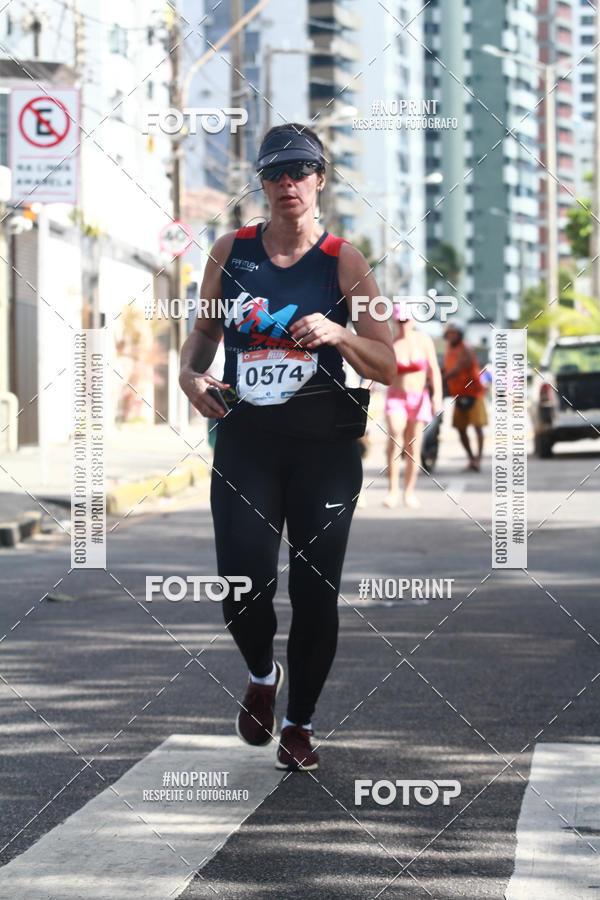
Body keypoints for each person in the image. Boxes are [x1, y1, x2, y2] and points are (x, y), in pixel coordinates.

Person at [179, 123, 396, 771]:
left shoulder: (343, 261)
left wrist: (338, 331)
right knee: (242, 580)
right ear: (261, 182)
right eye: (275, 171)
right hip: (246, 439)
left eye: (301, 170)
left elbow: (386, 364)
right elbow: (201, 338)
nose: (288, 183)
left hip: (323, 445)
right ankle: (260, 676)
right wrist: (190, 376)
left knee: (315, 590)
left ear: (321, 179)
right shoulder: (230, 250)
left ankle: (299, 724)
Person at [384, 306, 442, 508]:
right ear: (393, 321)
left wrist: (438, 396)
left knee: (413, 446)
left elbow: (434, 369)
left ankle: (408, 492)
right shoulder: (390, 342)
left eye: (406, 320)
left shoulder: (424, 340)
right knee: (395, 435)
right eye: (400, 321)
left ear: (414, 320)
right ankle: (392, 491)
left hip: (419, 398)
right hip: (395, 397)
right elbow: (376, 369)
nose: (403, 324)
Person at [443, 321, 487, 472]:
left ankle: (478, 460)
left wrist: (440, 378)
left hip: (473, 393)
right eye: (449, 333)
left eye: (454, 333)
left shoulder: (466, 349)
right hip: (458, 394)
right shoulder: (449, 349)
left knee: (477, 427)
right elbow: (447, 368)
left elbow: (457, 369)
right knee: (460, 429)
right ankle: (471, 458)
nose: (451, 336)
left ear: (460, 334)